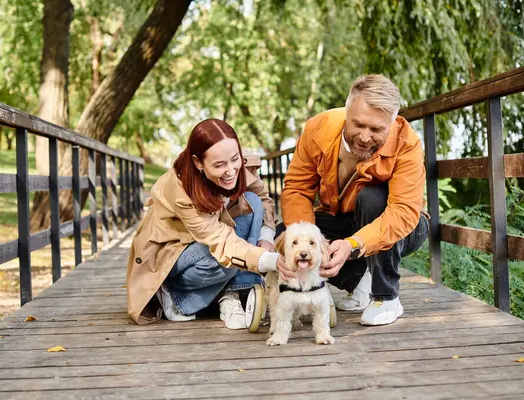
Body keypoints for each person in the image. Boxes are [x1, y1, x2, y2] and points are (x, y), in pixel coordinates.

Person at [278, 74, 430, 326]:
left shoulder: (407, 143)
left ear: (392, 122)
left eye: (377, 129)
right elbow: (297, 189)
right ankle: (360, 283)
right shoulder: (318, 129)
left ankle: (386, 296)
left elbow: (403, 211)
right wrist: (306, 240)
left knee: (372, 198)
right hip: (343, 217)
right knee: (287, 233)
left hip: (404, 226)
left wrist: (353, 244)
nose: (365, 137)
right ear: (346, 112)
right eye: (358, 125)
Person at [127, 119, 284, 330]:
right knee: (228, 261)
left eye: (234, 159)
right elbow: (221, 242)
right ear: (198, 163)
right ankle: (177, 298)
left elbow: (263, 198)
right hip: (172, 254)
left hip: (214, 238)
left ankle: (234, 293)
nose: (230, 170)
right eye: (219, 165)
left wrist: (266, 238)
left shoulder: (237, 163)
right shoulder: (181, 189)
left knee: (252, 202)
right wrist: (272, 261)